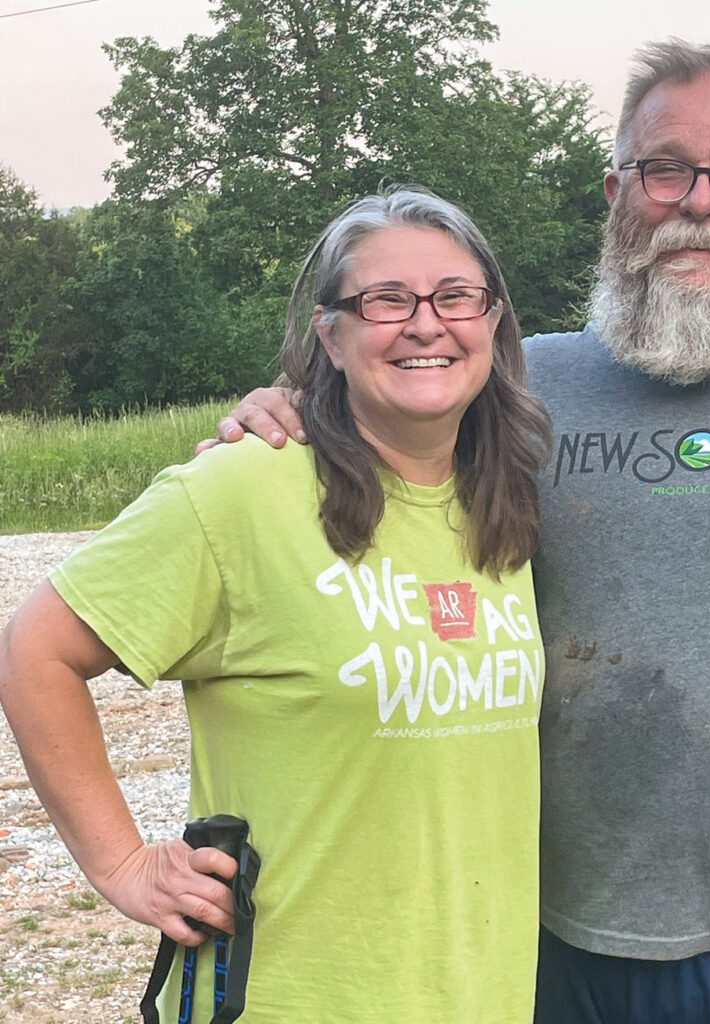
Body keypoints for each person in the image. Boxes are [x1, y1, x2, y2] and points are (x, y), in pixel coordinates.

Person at [208, 40, 710, 1024]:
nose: (700, 201)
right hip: (543, 934)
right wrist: (288, 405)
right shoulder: (519, 388)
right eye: (665, 168)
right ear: (617, 190)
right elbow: (383, 395)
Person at [0, 188, 553, 1023]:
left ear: (493, 322)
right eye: (385, 300)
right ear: (329, 334)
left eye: (454, 296)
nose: (425, 323)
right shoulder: (241, 487)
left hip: (482, 995)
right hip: (290, 999)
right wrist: (121, 866)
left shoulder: (503, 502)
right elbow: (35, 652)